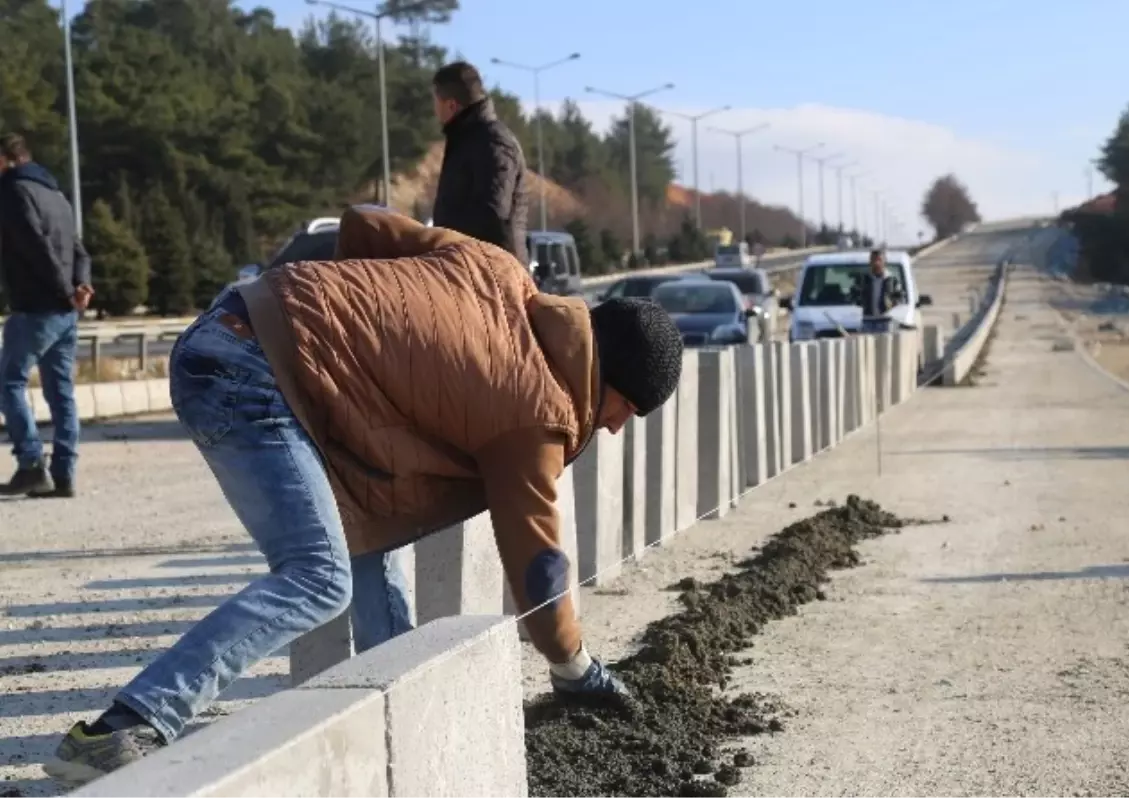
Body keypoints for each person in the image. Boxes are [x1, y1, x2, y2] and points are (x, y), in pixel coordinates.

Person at [45, 205, 684, 787]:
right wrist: (574, 666)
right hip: (250, 376)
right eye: (626, 408)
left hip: (240, 323)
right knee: (319, 579)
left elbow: (365, 224)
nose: (615, 427)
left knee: (372, 533)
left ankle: (398, 699)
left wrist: (352, 328)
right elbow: (539, 567)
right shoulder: (539, 412)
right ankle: (124, 727)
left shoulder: (497, 268)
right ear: (607, 376)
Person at [0, 133, 93, 498]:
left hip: (38, 306)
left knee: (9, 382)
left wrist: (64, 290)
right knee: (61, 392)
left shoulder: (12, 190)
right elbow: (79, 250)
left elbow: (35, 247)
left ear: (6, 159)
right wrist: (80, 286)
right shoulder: (55, 194)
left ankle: (31, 465)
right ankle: (65, 473)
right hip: (66, 312)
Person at [431, 61, 529, 265]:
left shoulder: (492, 142)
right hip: (471, 269)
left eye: (436, 101)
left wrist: (442, 239)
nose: (434, 110)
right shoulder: (466, 140)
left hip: (495, 277)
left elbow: (492, 212)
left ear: (451, 105)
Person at [855, 248, 904, 334]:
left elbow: (900, 297)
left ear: (885, 262)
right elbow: (855, 296)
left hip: (886, 321)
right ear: (870, 262)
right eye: (873, 260)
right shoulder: (864, 280)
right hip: (868, 320)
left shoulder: (892, 280)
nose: (876, 263)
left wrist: (890, 304)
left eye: (879, 260)